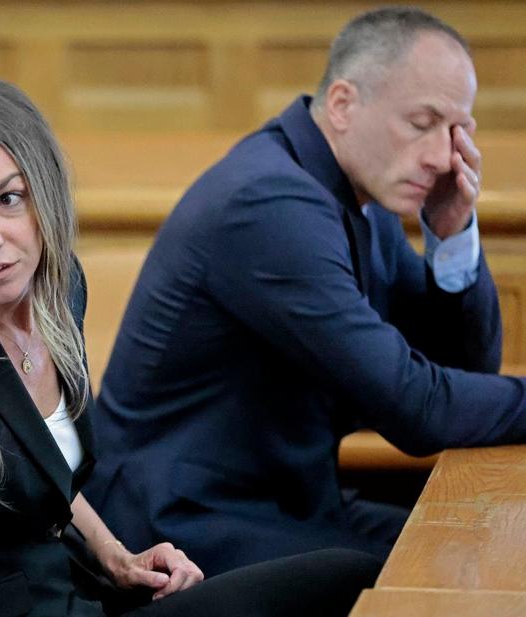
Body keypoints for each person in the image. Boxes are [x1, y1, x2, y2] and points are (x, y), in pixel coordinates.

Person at [0, 74, 380, 617]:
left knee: (351, 575)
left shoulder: (60, 289)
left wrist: (117, 556)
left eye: (8, 199)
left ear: (44, 194)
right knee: (347, 581)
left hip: (90, 595)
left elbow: (50, 470)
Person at [84, 6, 526, 577]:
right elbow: (415, 409)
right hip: (180, 522)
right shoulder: (270, 204)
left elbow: (464, 369)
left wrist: (452, 235)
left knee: (490, 543)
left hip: (287, 500)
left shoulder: (359, 188)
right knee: (433, 573)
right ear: (343, 105)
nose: (444, 157)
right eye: (423, 123)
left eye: (458, 130)